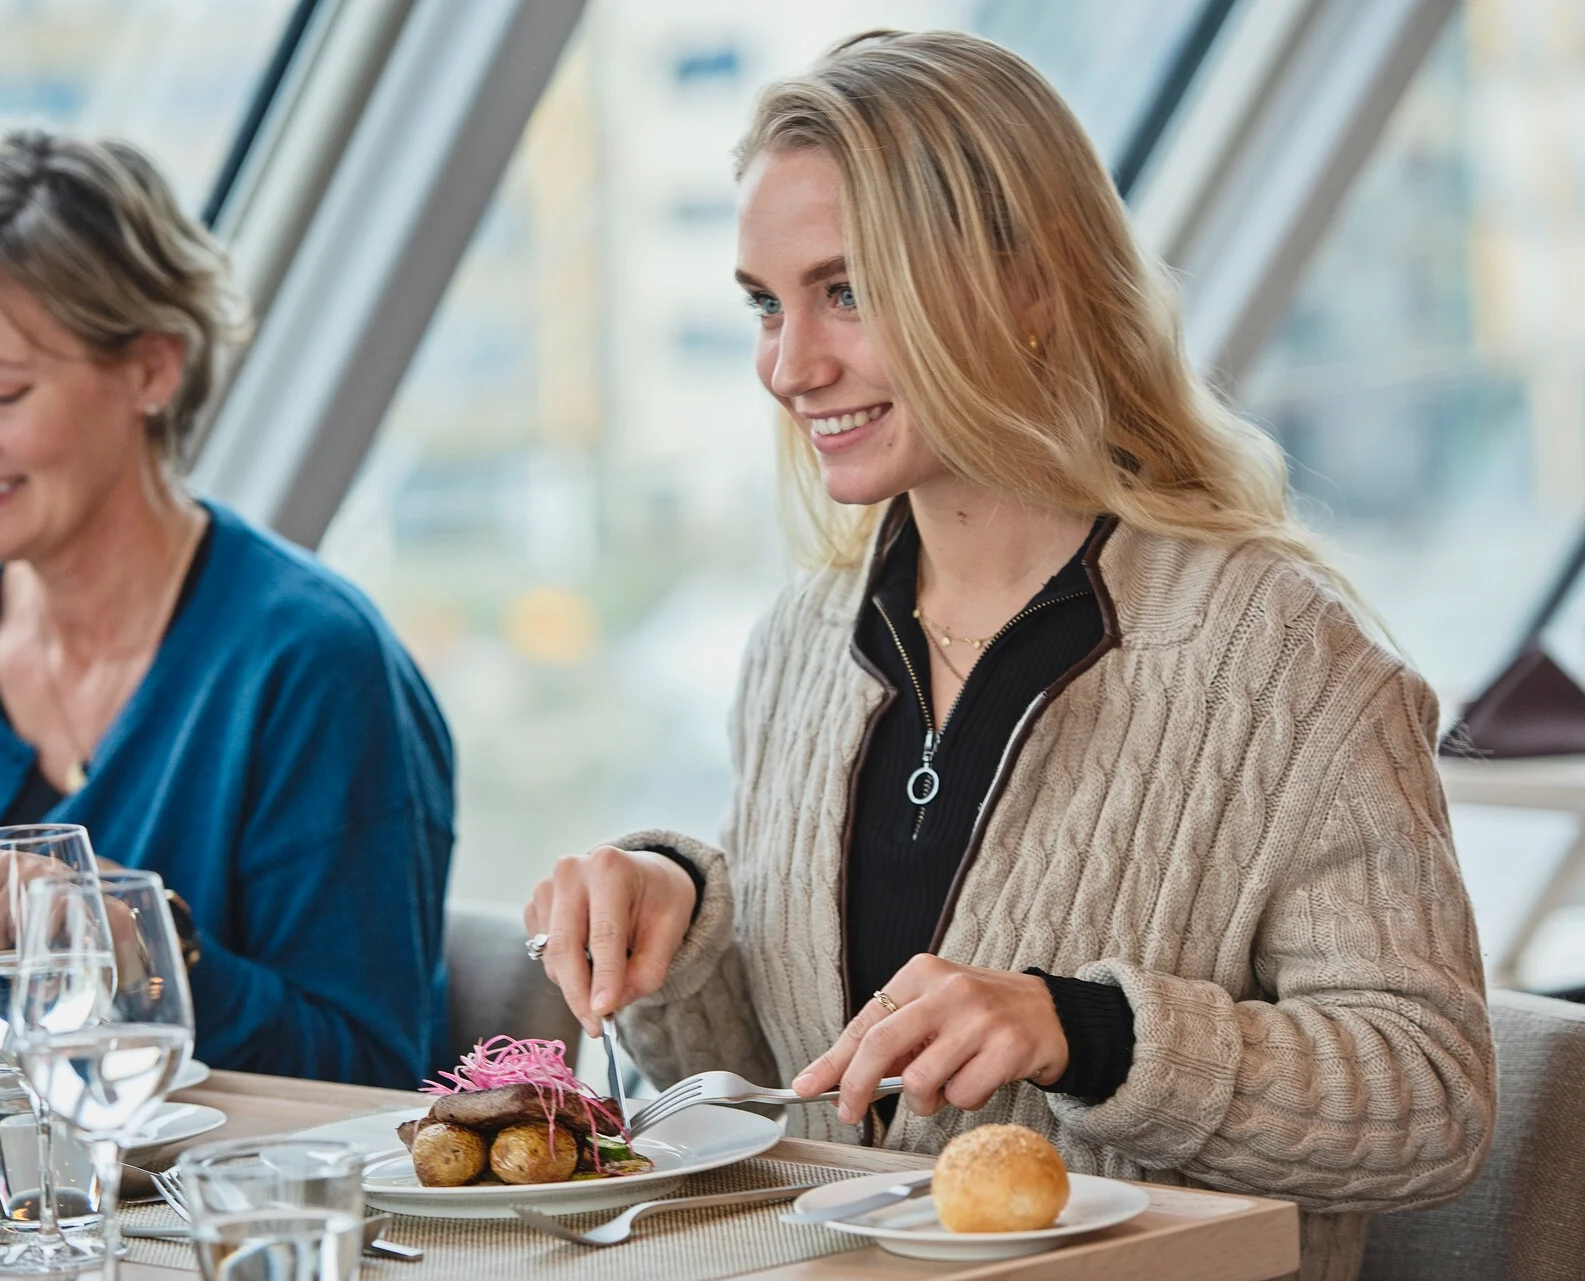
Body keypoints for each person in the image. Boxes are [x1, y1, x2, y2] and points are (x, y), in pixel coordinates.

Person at [523, 31, 1494, 1280]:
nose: (789, 365)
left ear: (1031, 288)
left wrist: (1088, 1032)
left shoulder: (1284, 655)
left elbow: (1432, 1102)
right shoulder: (800, 645)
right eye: (765, 303)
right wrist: (680, 922)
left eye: (848, 292)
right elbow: (791, 1109)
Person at [0, 129, 454, 1087]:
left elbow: (371, 1077)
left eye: (0, 391)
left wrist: (132, 940)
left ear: (153, 368)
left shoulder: (312, 665)